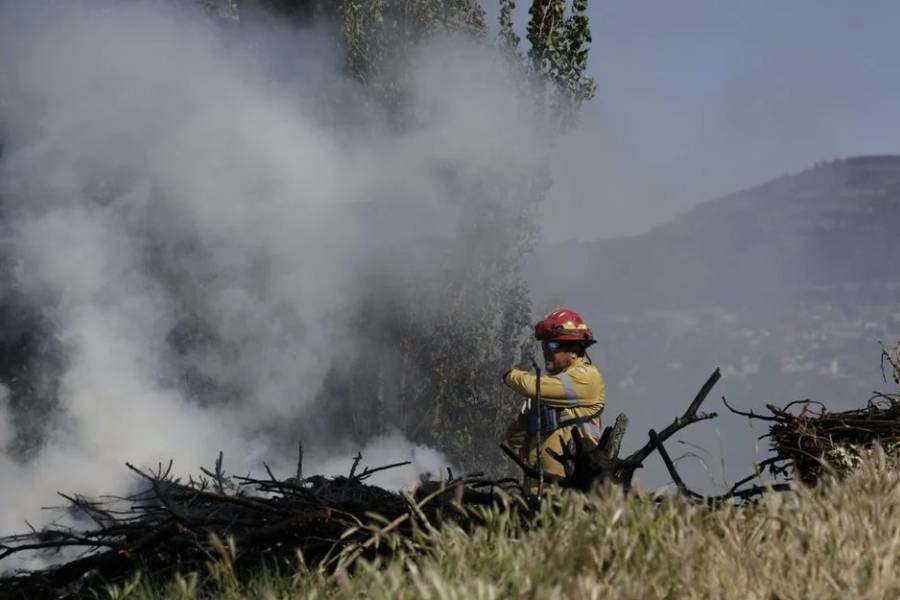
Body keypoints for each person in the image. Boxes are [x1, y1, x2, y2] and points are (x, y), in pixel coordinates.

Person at [502, 308, 605, 485]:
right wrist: (520, 431)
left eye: (553, 346)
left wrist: (509, 375)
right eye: (545, 345)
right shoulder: (555, 384)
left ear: (574, 350)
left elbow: (530, 386)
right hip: (541, 483)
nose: (547, 351)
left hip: (572, 486)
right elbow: (524, 432)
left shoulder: (586, 377)